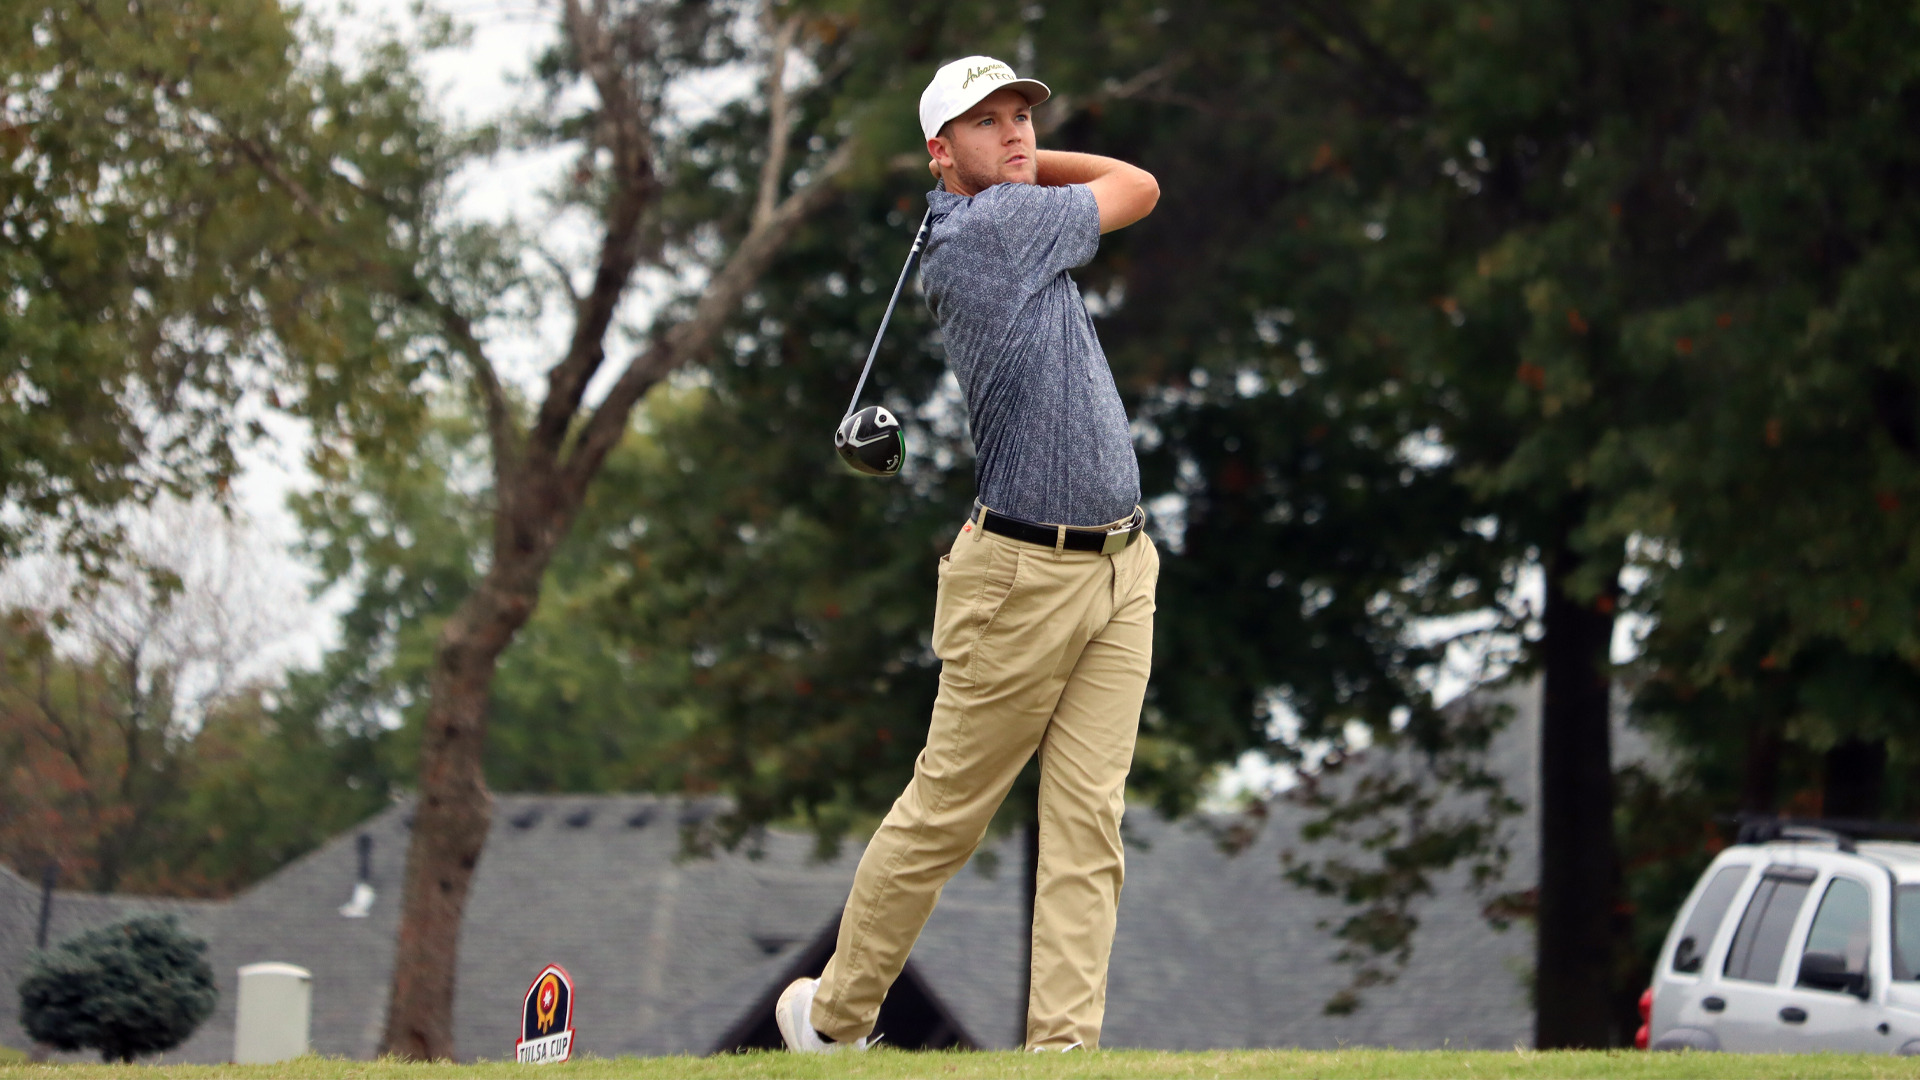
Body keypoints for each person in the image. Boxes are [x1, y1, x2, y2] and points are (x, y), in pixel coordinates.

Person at [775, 54, 1161, 1054]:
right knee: (945, 815)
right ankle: (832, 1019)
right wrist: (1022, 174)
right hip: (1020, 580)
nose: (1019, 133)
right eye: (987, 124)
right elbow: (1139, 187)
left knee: (1090, 826)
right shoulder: (996, 228)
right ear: (940, 152)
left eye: (1023, 116)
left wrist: (1011, 161)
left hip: (1123, 567)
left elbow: (1073, 180)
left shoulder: (999, 208)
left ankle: (1064, 1050)